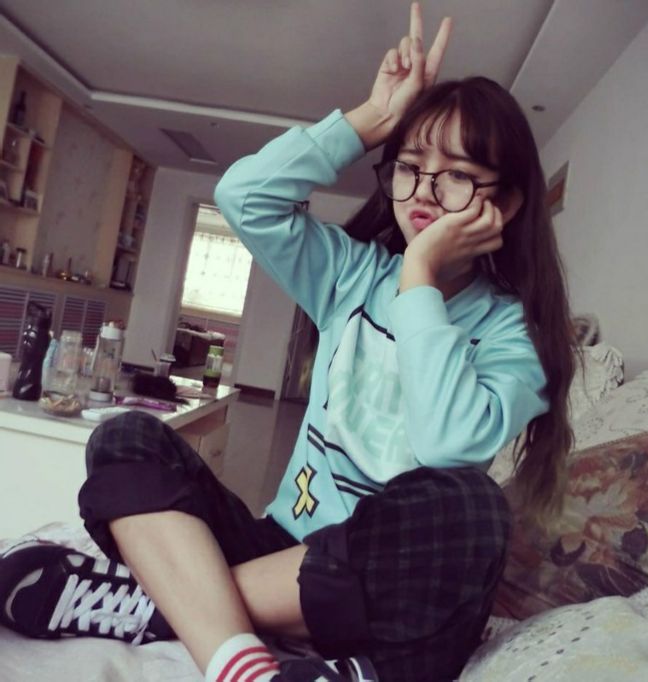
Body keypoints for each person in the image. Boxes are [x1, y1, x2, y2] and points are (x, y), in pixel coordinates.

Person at [0, 4, 576, 681]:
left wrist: (419, 276)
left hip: (384, 588)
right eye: (410, 165)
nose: (423, 190)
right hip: (284, 550)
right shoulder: (352, 274)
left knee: (470, 509)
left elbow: (448, 446)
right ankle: (239, 656)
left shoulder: (517, 334)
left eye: (456, 174)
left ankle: (179, 606)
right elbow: (245, 196)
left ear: (505, 203)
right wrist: (372, 118)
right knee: (125, 436)